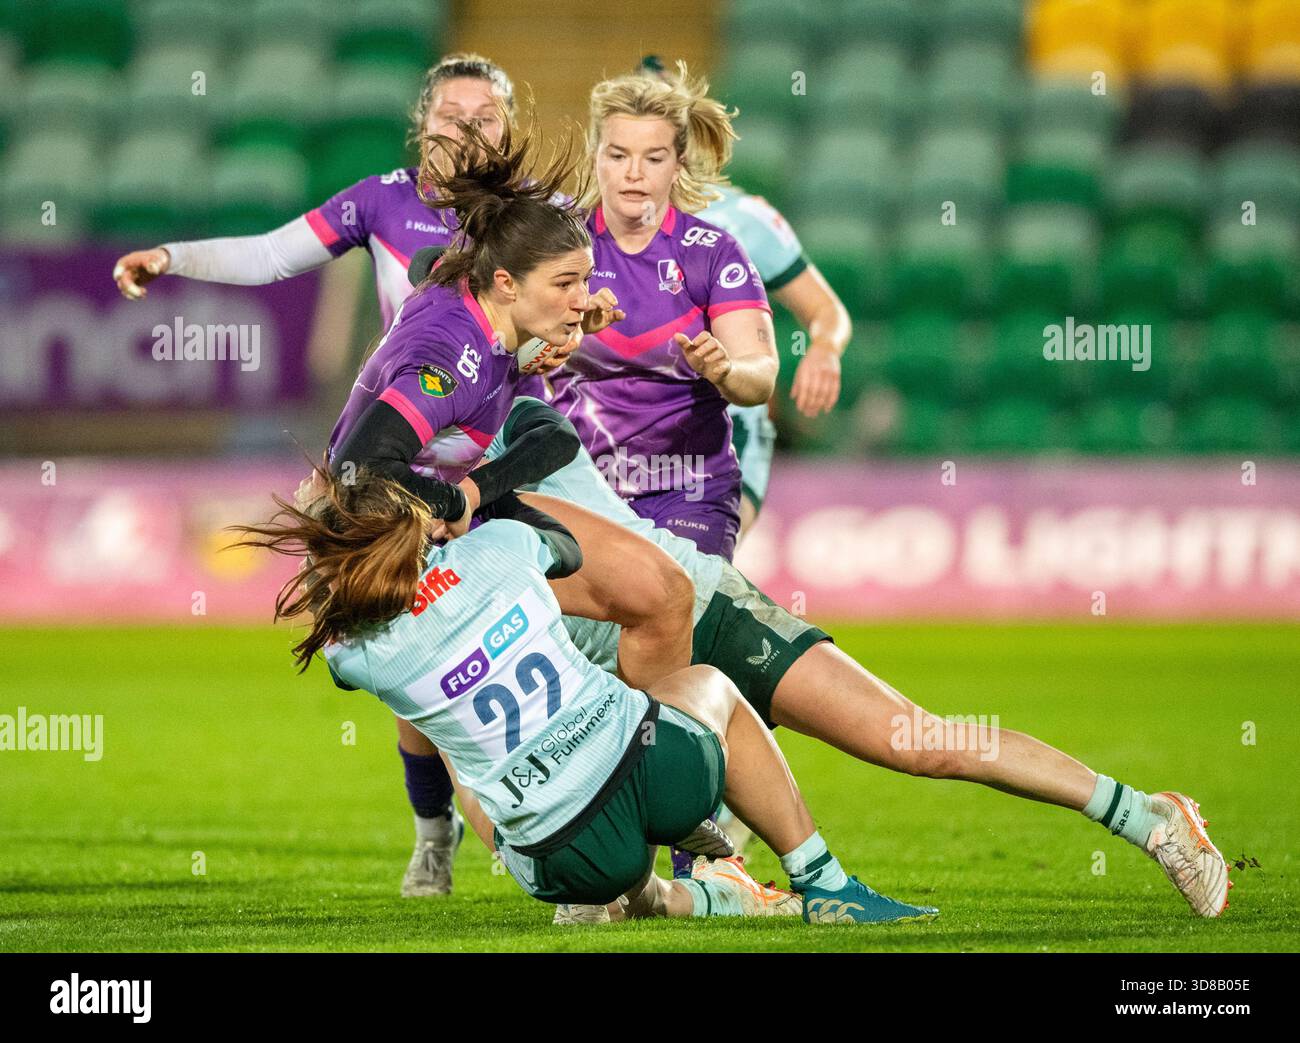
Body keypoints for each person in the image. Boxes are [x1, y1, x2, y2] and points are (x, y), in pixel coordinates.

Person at [478, 396, 1233, 921]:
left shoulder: (499, 430)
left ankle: (1148, 814)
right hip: (624, 675)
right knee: (606, 894)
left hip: (708, 610)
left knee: (918, 741)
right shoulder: (417, 486)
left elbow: (556, 473)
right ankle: (734, 887)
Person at [110, 55, 552, 899]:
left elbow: (577, 304)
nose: (466, 129)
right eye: (450, 114)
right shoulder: (382, 202)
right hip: (406, 464)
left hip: (502, 456)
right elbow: (274, 255)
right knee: (411, 656)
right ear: (421, 124)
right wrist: (174, 255)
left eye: (485, 116)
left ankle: (562, 813)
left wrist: (566, 337)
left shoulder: (531, 219)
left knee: (531, 633)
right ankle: (438, 832)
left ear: (508, 128)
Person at [233, 468, 941, 925]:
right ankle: (821, 879)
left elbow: (344, 600)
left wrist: (326, 524)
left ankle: (667, 899)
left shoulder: (354, 655)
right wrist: (472, 506)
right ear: (419, 525)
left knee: (457, 749)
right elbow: (567, 551)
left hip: (558, 856)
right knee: (712, 687)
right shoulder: (500, 548)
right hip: (657, 773)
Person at [545, 63, 778, 562]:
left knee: (673, 621)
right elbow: (508, 357)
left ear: (678, 163)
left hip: (691, 493)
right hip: (577, 493)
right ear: (595, 158)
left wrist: (726, 370)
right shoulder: (554, 250)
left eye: (653, 158)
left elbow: (760, 377)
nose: (634, 173)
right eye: (618, 155)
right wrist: (565, 331)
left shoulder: (713, 253)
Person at [638, 55, 853, 544]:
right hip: (624, 437)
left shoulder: (743, 219)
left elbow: (825, 310)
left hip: (727, 432)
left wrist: (824, 349)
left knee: (690, 575)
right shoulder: (595, 225)